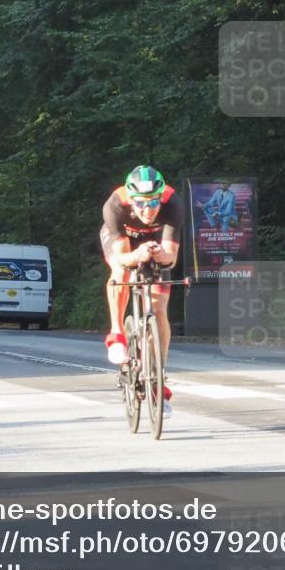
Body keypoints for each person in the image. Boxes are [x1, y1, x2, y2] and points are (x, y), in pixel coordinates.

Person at [100, 165, 184, 411]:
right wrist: (136, 255)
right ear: (131, 200)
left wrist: (160, 255)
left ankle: (158, 374)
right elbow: (124, 258)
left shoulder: (173, 203)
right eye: (140, 204)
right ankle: (116, 334)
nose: (147, 210)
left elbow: (172, 258)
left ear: (161, 198)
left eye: (153, 203)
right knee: (120, 270)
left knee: (158, 309)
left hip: (155, 240)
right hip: (124, 242)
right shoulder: (115, 205)